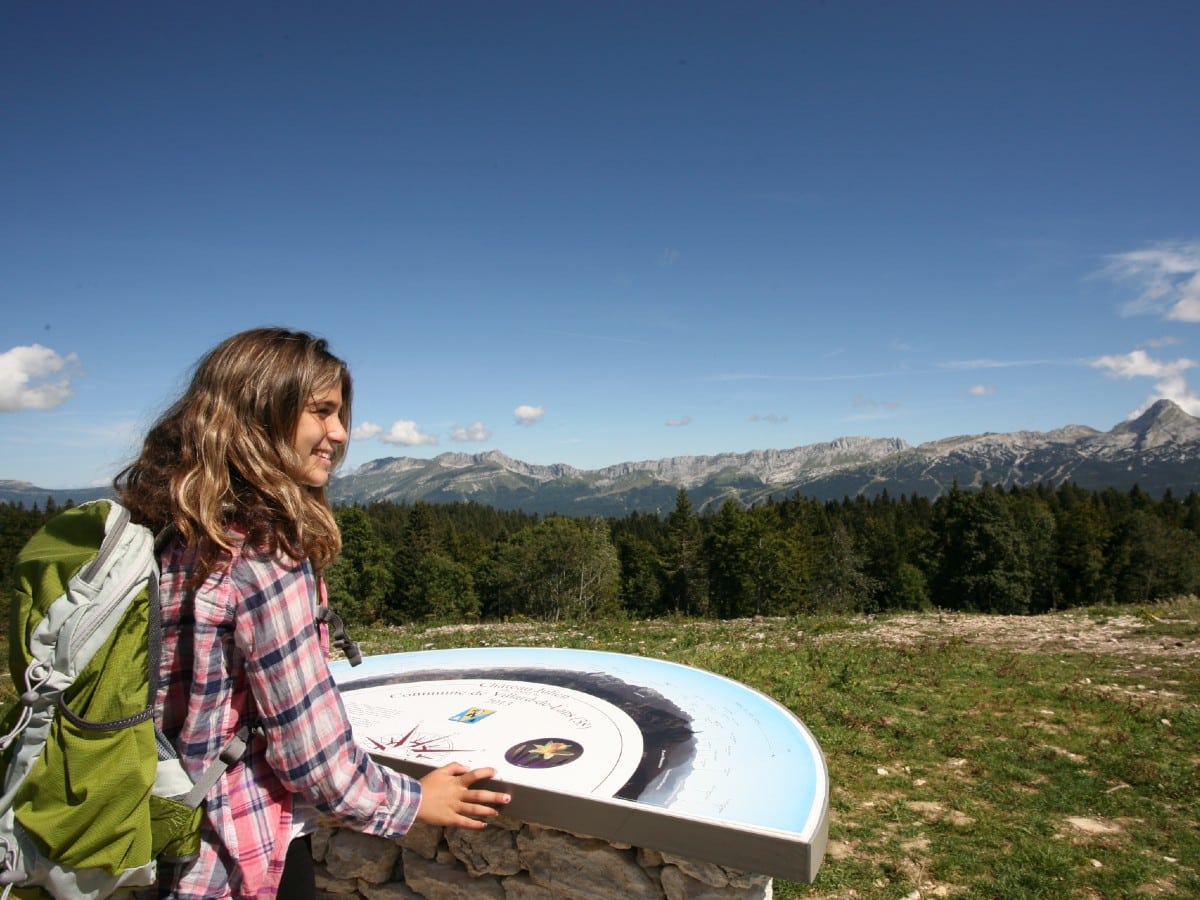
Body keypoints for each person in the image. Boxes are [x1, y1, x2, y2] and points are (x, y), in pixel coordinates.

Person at [115, 327, 511, 899]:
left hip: (141, 833)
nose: (340, 433)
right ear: (261, 411)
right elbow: (312, 753)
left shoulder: (169, 524)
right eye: (321, 412)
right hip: (229, 853)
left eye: (340, 413)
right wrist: (416, 800)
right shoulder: (258, 554)